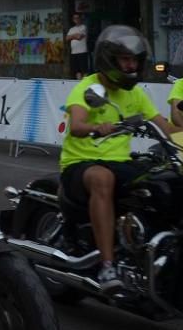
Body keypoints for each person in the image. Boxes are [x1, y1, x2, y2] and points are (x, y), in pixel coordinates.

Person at [59, 25, 180, 289]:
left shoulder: (134, 92)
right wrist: (96, 127)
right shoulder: (88, 88)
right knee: (103, 178)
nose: (131, 65)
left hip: (119, 163)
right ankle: (107, 266)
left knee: (167, 180)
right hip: (81, 164)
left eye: (135, 60)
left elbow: (164, 126)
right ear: (109, 59)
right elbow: (76, 125)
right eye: (125, 59)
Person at [66, 12, 89, 80]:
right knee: (77, 70)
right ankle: (79, 84)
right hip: (74, 52)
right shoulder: (71, 29)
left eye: (77, 18)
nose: (76, 19)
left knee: (84, 70)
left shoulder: (83, 27)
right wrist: (75, 35)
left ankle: (85, 84)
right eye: (74, 18)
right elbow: (67, 38)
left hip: (82, 52)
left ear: (80, 19)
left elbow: (79, 37)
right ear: (73, 20)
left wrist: (72, 36)